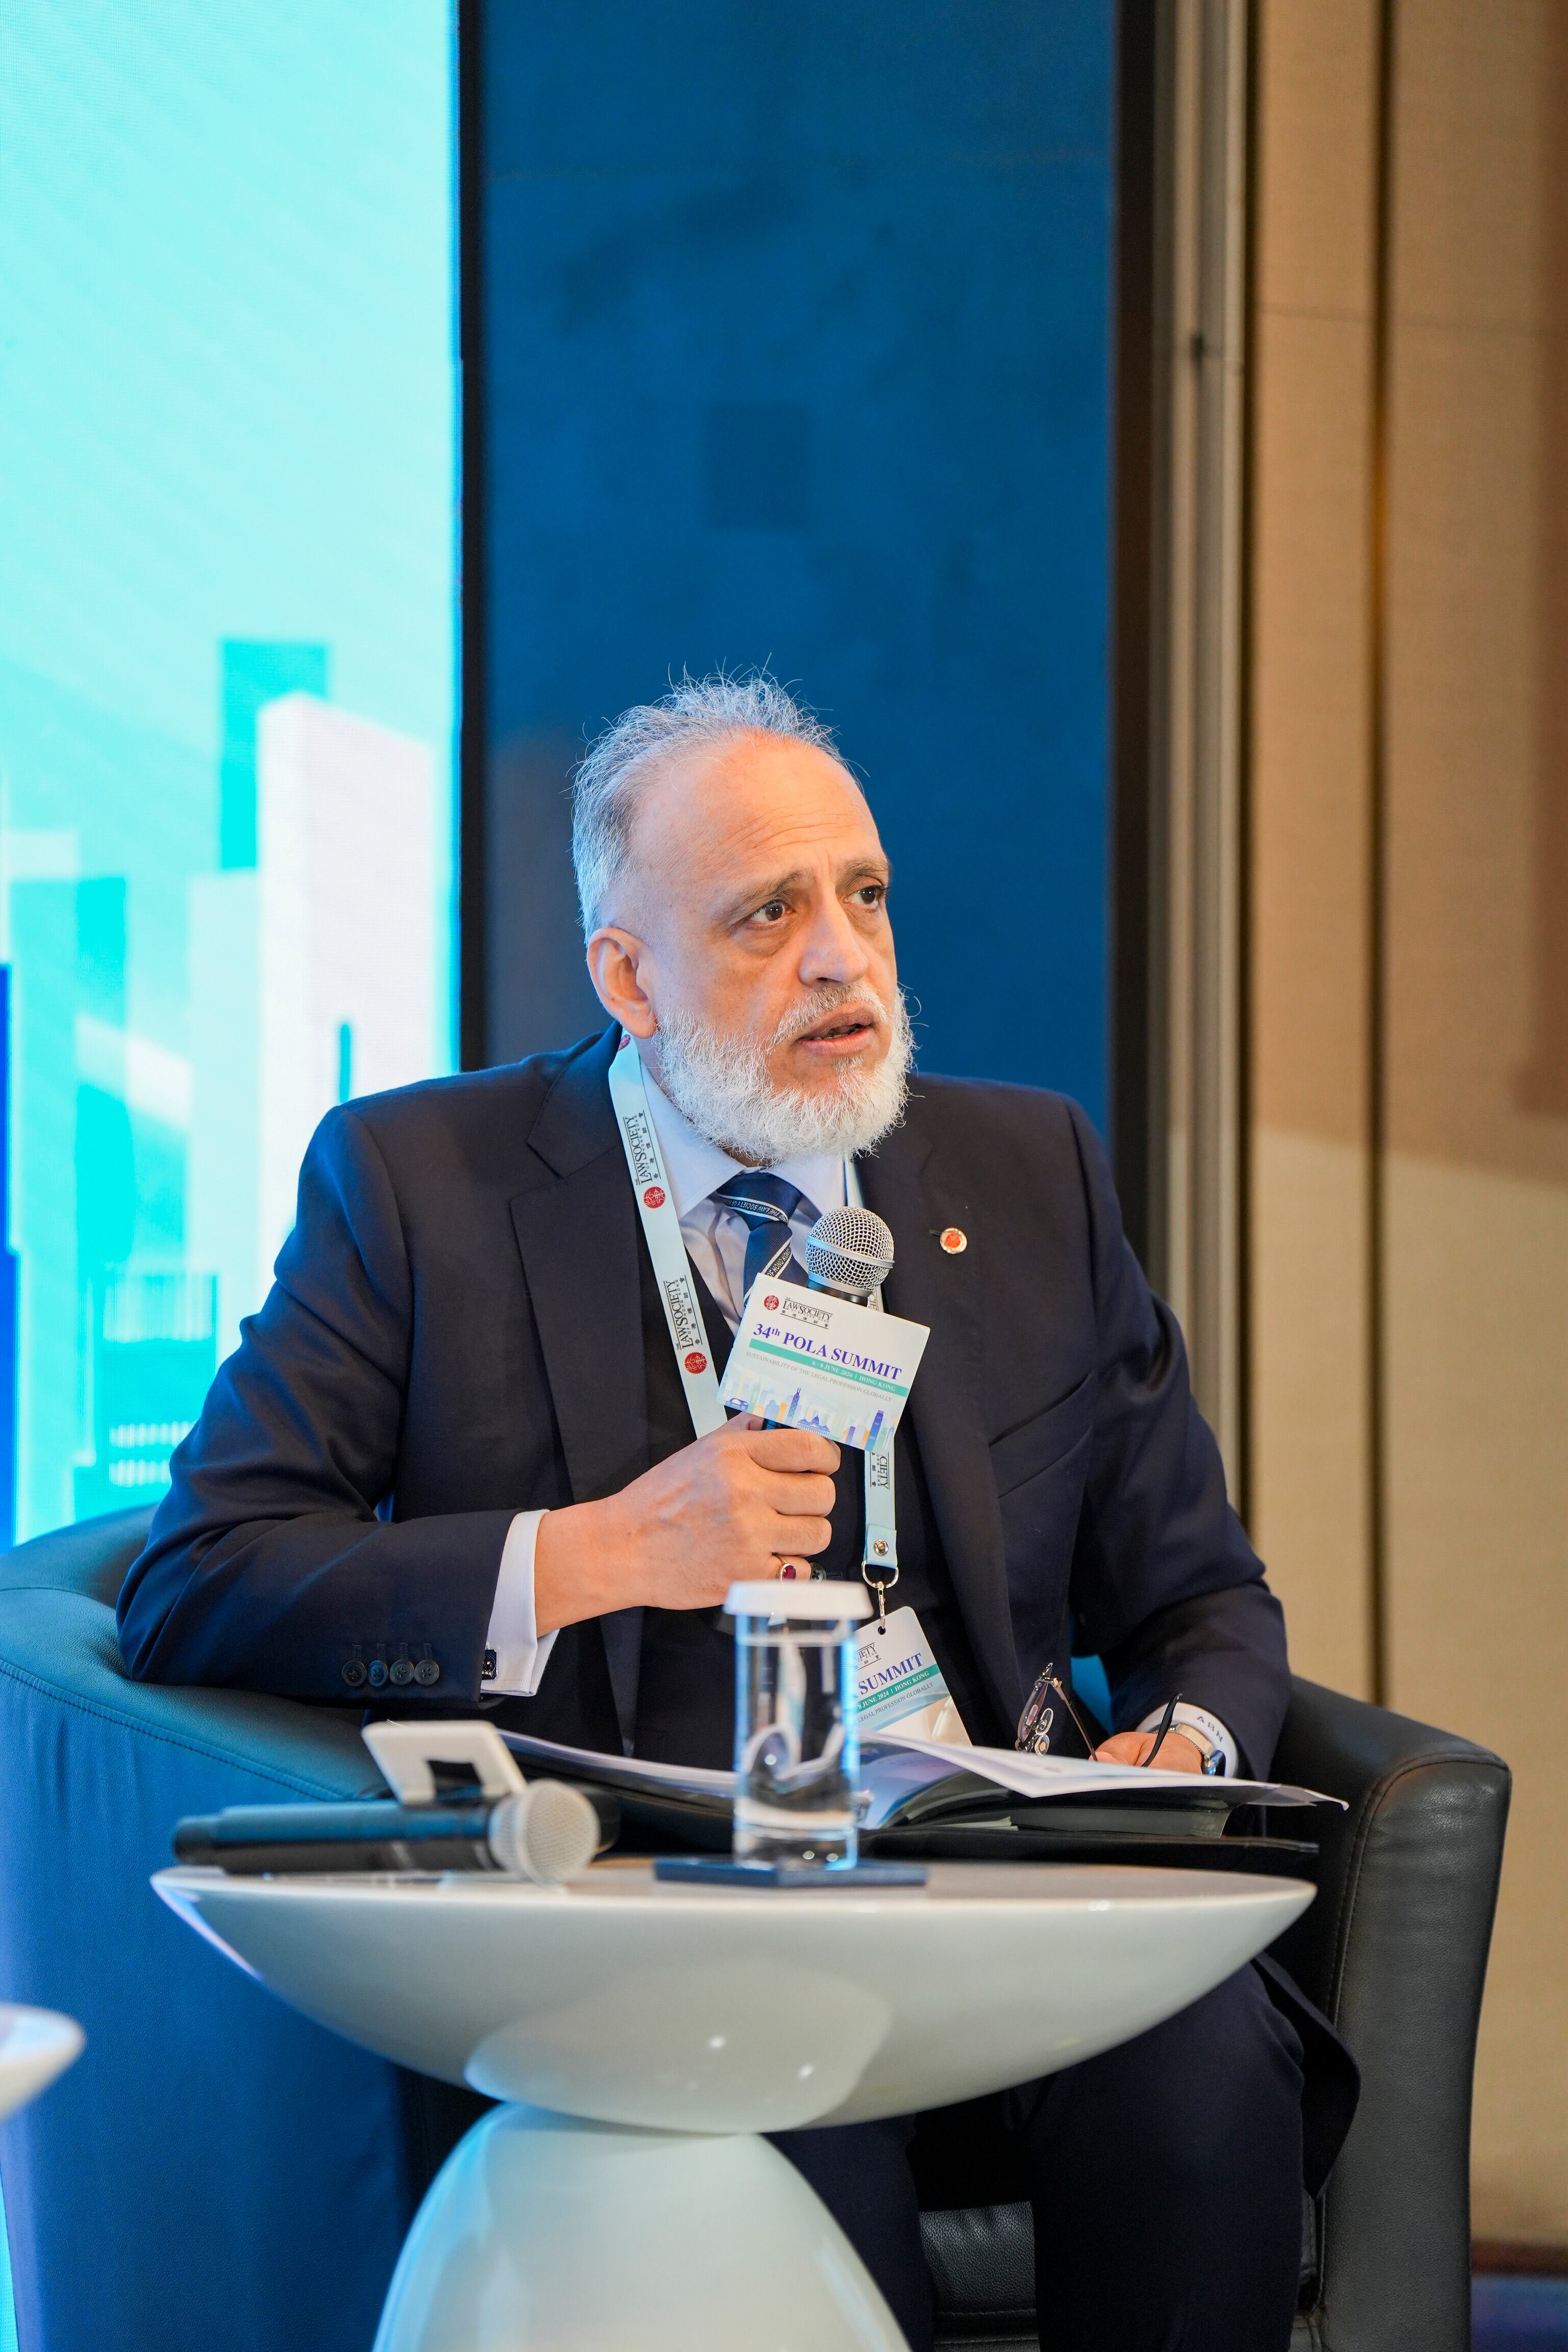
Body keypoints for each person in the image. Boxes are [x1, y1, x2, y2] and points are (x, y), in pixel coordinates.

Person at [118, 672, 1354, 2352]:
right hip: (667, 1923)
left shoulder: (1030, 1175)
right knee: (776, 2155)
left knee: (1208, 2074)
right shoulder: (420, 1188)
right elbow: (200, 1578)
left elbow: (1201, 1596)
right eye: (769, 913)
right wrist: (600, 1552)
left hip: (1004, 1898)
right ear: (628, 976)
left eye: (865, 896)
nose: (843, 957)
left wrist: (1187, 1743)